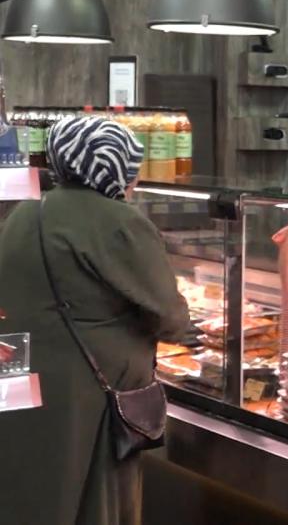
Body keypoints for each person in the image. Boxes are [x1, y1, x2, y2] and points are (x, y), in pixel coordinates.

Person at [0, 116, 189, 525]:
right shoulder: (117, 221)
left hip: (18, 377)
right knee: (92, 498)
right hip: (86, 394)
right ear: (116, 166)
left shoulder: (24, 212)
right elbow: (171, 319)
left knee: (30, 490)